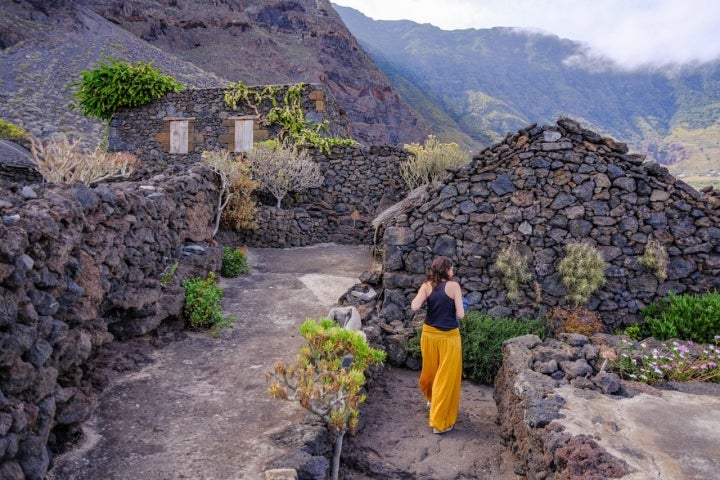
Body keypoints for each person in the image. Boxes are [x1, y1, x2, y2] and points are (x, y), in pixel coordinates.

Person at [411, 256, 465, 434]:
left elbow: (414, 306)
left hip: (429, 335)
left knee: (430, 372)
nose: (453, 271)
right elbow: (461, 314)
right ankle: (439, 423)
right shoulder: (454, 286)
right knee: (445, 378)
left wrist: (425, 299)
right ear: (446, 269)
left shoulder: (426, 285)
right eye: (452, 268)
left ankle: (431, 398)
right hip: (449, 337)